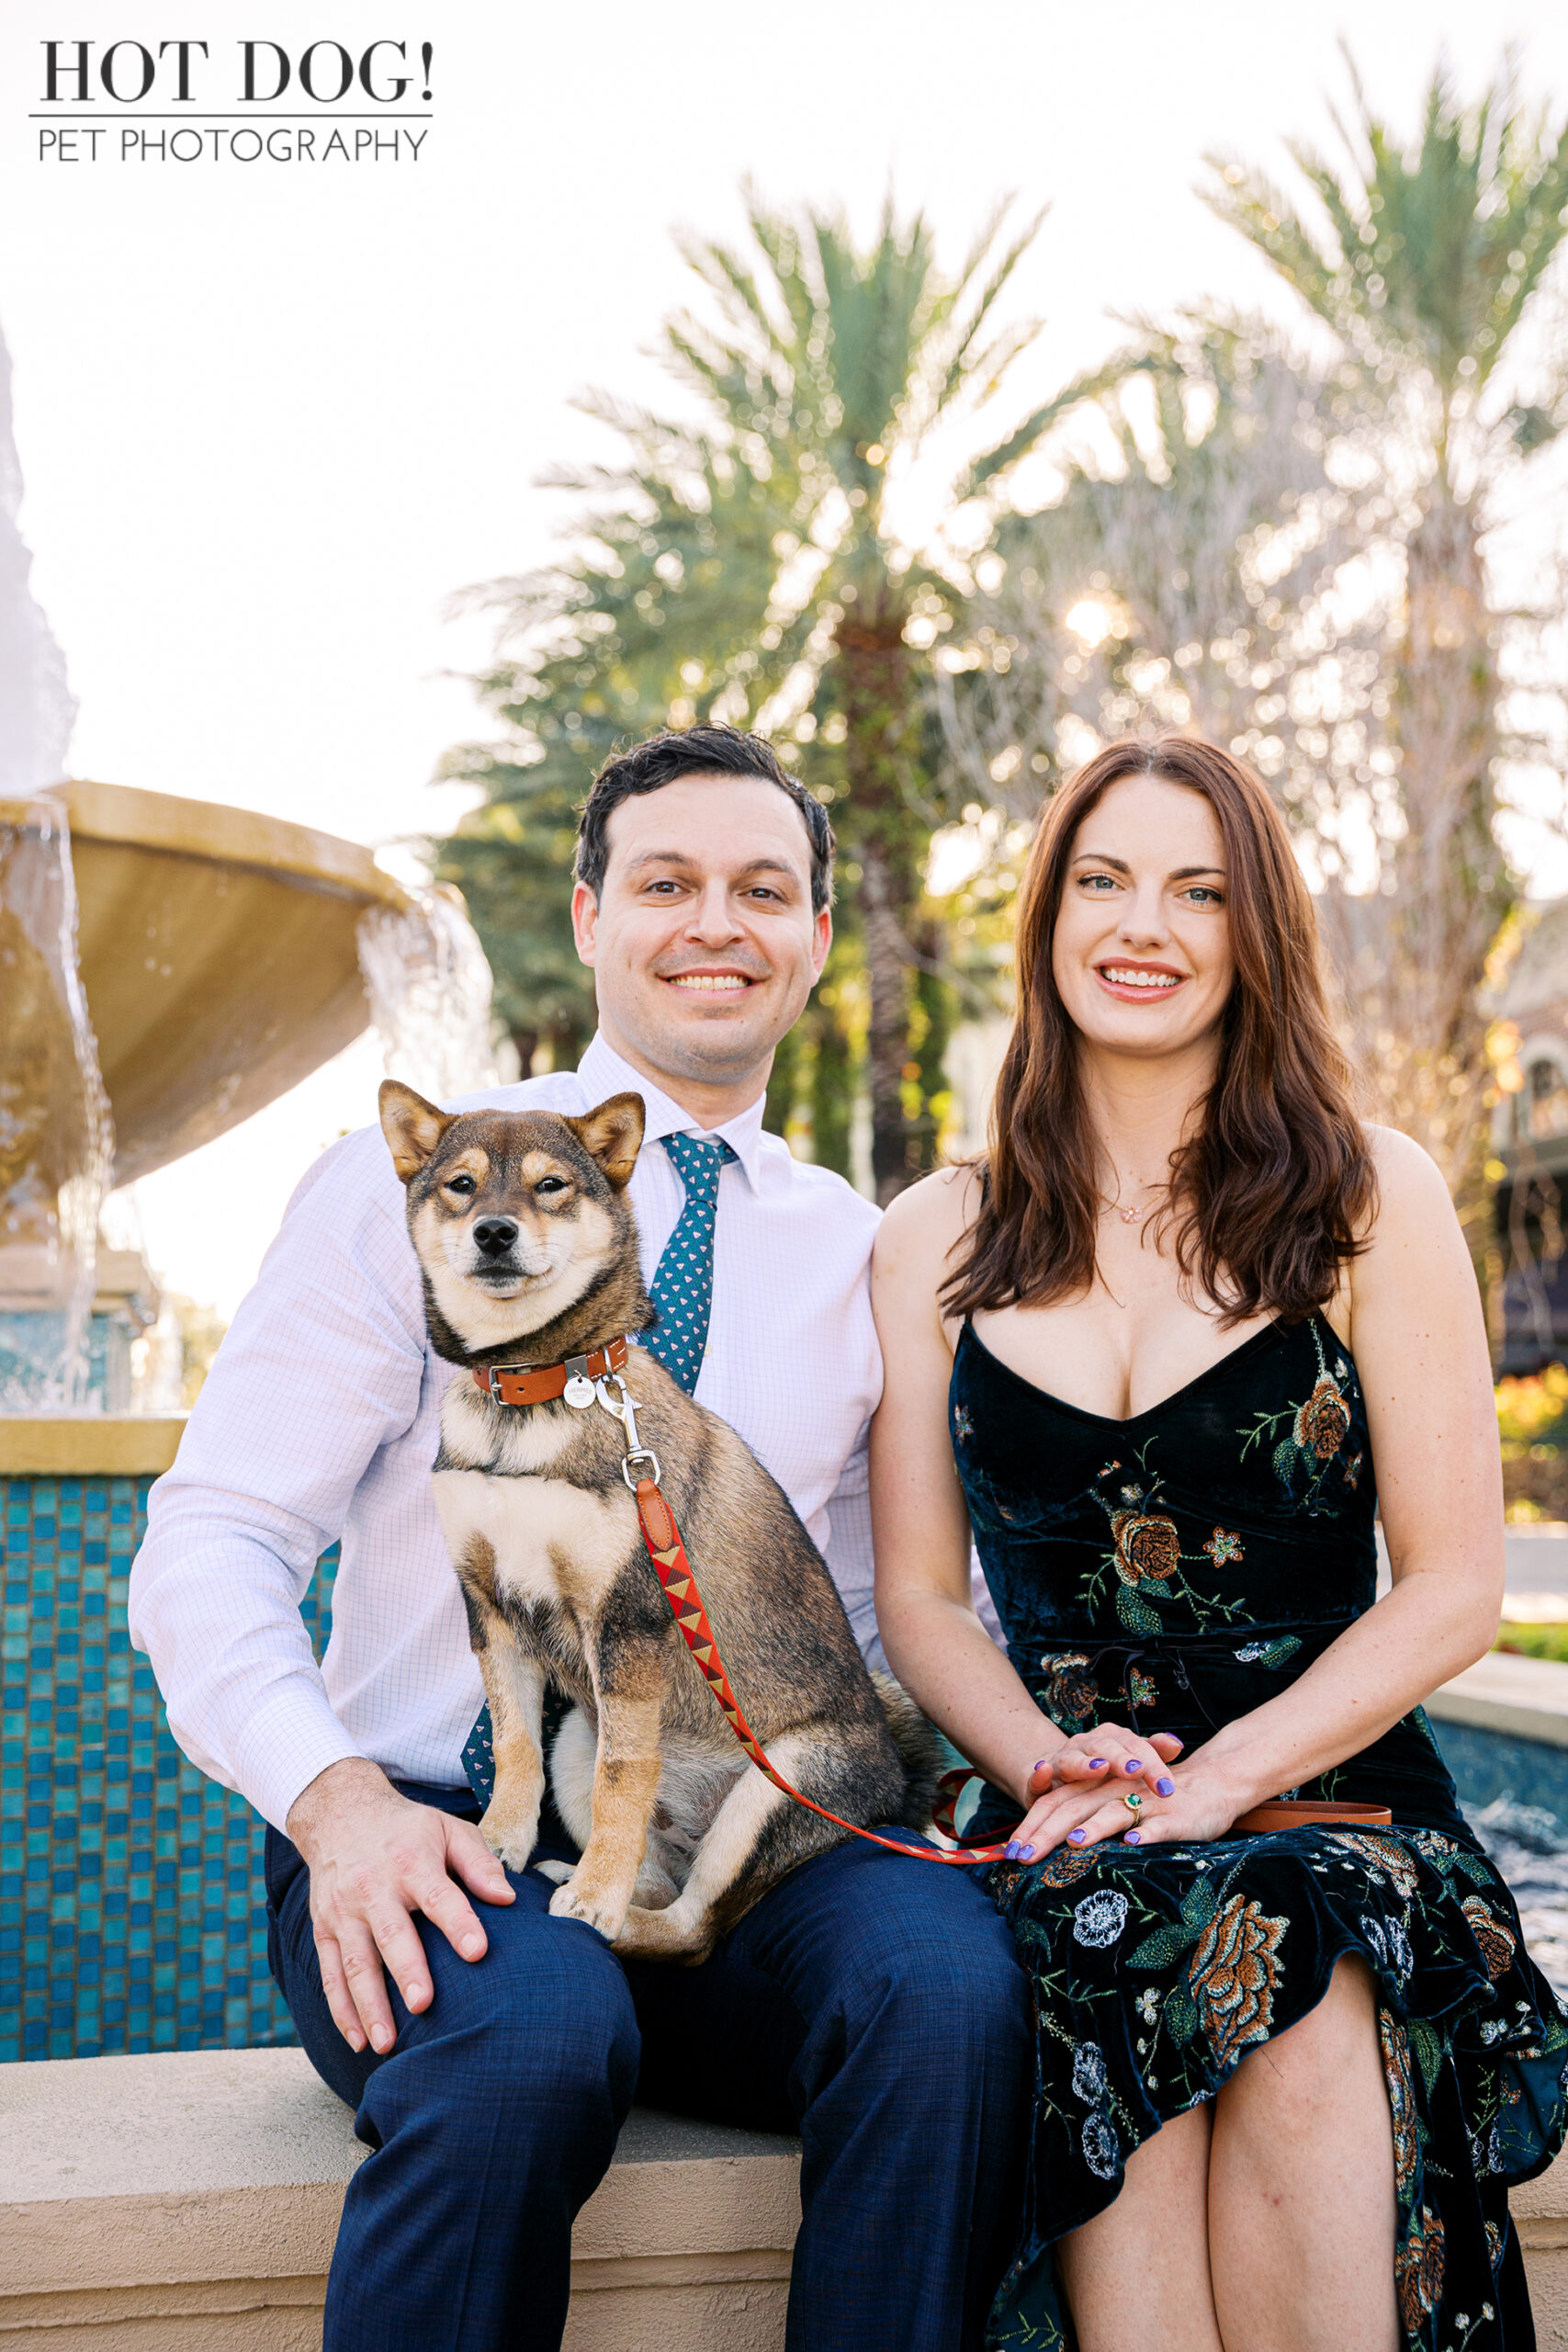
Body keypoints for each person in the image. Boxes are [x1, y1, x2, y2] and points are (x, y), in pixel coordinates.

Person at [130, 724, 1030, 2352]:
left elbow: (882, 1614)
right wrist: (338, 1813)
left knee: (950, 1995)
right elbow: (215, 1535)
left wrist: (1050, 1762)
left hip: (734, 1846)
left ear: (817, 938)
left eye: (765, 890)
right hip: (432, 1826)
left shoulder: (849, 1244)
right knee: (532, 2044)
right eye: (667, 882)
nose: (716, 923)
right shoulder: (409, 1187)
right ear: (589, 913)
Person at [869, 732, 1568, 2352]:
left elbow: (1459, 1583)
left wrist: (1222, 1783)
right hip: (1068, 1810)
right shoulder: (935, 1237)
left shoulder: (1365, 1199)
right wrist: (1056, 1769)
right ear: (1046, 918)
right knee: (1122, 1936)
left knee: (1290, 1959)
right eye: (1104, 881)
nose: (1145, 924)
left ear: (1258, 933)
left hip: (1332, 1792)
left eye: (1201, 890)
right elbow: (920, 1599)